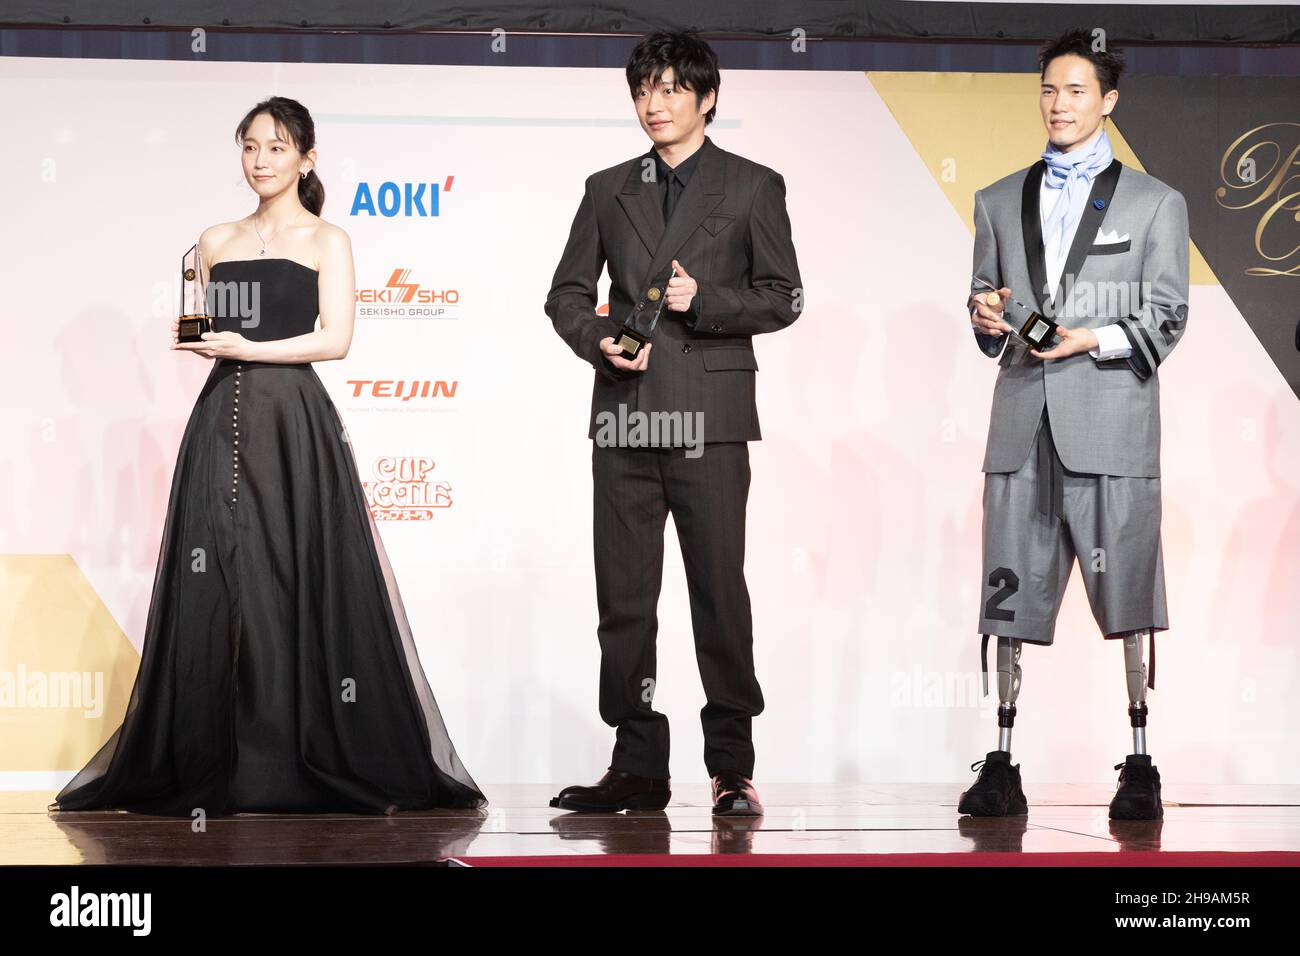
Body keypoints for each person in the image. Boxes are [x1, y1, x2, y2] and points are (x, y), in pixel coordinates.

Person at [50, 96, 485, 817]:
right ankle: (225, 756)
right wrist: (202, 335)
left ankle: (293, 755)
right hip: (220, 418)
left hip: (294, 422)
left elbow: (336, 339)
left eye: (277, 148)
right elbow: (202, 326)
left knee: (292, 577)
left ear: (307, 159)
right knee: (223, 580)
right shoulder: (214, 238)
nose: (261, 160)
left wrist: (252, 348)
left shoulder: (327, 239)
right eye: (250, 147)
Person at [544, 32, 803, 816]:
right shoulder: (605, 187)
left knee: (718, 592)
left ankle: (731, 766)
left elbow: (783, 297)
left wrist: (707, 303)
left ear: (707, 97)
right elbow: (564, 294)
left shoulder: (754, 186)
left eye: (670, 90)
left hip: (711, 420)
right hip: (625, 414)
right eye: (643, 91)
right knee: (624, 599)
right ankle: (637, 764)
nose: (654, 104)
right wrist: (600, 342)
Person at [960, 32, 1189, 820]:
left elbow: (1168, 315)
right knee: (1009, 590)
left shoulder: (1155, 202)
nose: (1059, 105)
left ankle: (1139, 760)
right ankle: (1001, 756)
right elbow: (984, 313)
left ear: (1108, 100)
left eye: (1076, 91)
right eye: (1050, 91)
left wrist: (1092, 335)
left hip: (1112, 424)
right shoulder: (995, 198)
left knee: (1126, 589)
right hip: (1022, 422)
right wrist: (987, 314)